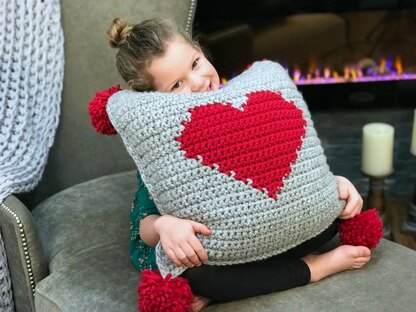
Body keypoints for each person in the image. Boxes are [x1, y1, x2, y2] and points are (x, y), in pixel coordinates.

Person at [107, 17, 371, 312]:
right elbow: (143, 223)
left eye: (195, 63)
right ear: (154, 102)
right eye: (177, 84)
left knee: (334, 213)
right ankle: (312, 269)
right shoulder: (164, 142)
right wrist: (165, 226)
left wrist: (334, 186)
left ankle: (239, 284)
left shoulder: (245, 98)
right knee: (196, 275)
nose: (197, 83)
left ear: (201, 50)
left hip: (269, 228)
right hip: (214, 248)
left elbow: (297, 168)